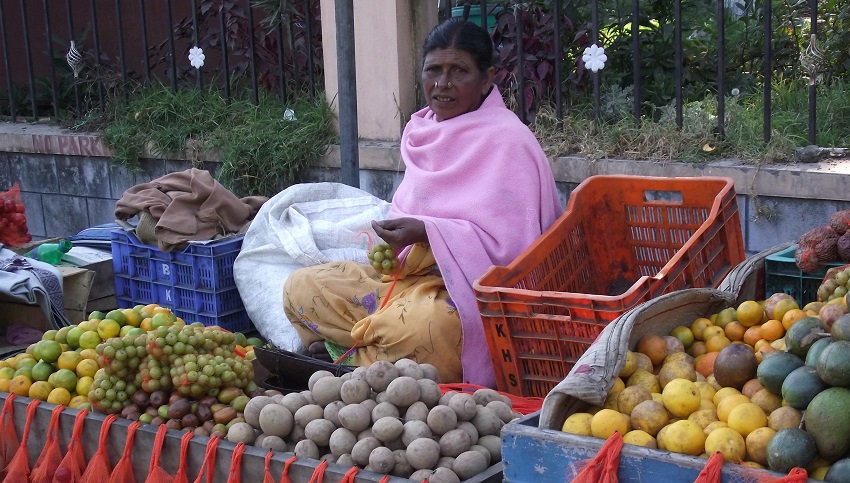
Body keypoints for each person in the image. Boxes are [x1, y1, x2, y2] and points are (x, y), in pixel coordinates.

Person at [283, 18, 563, 387]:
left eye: (458, 71)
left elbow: (517, 255)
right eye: (433, 70)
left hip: (465, 295)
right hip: (405, 280)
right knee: (300, 286)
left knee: (426, 330)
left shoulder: (509, 141)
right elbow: (409, 216)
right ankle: (370, 352)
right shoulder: (421, 130)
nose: (442, 84)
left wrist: (429, 231)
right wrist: (398, 236)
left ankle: (350, 351)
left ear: (487, 78)